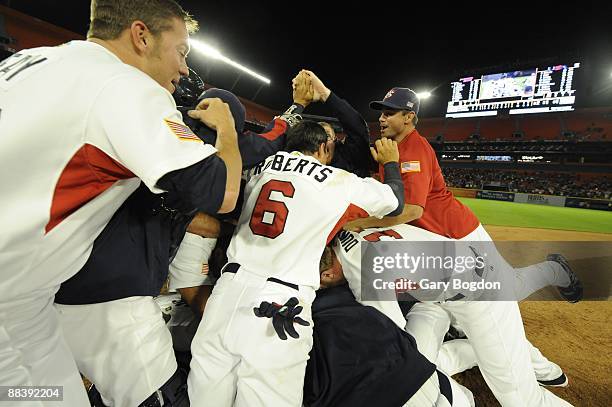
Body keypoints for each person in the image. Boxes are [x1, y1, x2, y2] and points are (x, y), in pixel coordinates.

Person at [0, 1, 242, 404]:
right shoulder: (124, 85)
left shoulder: (29, 60)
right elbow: (224, 194)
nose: (184, 68)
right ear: (141, 35)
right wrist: (229, 131)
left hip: (31, 301)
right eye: (181, 50)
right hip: (14, 301)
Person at [187, 121, 406, 406]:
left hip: (226, 293)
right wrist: (391, 163)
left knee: (205, 396)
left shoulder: (261, 166)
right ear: (324, 146)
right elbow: (396, 202)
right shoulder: (338, 180)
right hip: (280, 301)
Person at [334, 220, 576, 405]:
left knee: (518, 397)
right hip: (435, 295)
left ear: (327, 272)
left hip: (480, 295)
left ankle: (549, 370)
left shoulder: (361, 267)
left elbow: (394, 334)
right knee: (424, 358)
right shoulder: (347, 232)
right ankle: (477, 348)